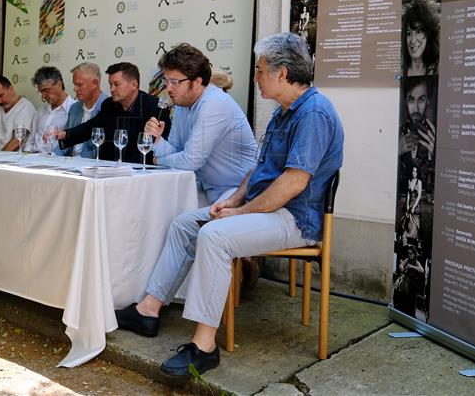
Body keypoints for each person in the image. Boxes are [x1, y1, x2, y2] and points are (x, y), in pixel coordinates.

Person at [114, 33, 343, 380]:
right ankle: (149, 308)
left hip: (296, 219)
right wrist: (234, 199)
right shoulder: (284, 112)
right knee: (184, 223)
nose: (255, 78)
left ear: (282, 74)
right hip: (266, 208)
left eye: (260, 70)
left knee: (215, 236)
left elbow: (293, 183)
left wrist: (240, 212)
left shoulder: (314, 113)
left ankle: (204, 346)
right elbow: (260, 169)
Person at [143, 43, 257, 205]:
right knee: (155, 206)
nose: (168, 88)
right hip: (208, 188)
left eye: (174, 82)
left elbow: (190, 161)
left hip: (240, 191)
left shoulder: (214, 103)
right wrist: (158, 141)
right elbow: (177, 151)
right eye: (166, 81)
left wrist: (158, 160)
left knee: (180, 225)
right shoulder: (182, 104)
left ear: (196, 82)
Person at [56, 62, 171, 163]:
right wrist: (66, 135)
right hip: (108, 171)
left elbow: (167, 144)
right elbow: (91, 127)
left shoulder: (155, 107)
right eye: (110, 84)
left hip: (141, 174)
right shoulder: (109, 104)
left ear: (134, 85)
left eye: (116, 84)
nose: (111, 89)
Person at [59, 63, 108, 158]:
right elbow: (65, 142)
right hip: (69, 164)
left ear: (95, 83)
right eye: (74, 84)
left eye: (79, 85)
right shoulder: (74, 108)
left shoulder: (108, 108)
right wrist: (51, 157)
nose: (75, 89)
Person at [26, 66, 74, 153]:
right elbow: (30, 140)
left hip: (55, 161)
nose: (43, 96)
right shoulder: (40, 110)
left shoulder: (74, 109)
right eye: (41, 92)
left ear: (59, 84)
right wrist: (26, 154)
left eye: (45, 90)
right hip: (31, 158)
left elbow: (72, 145)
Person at [398, 77, 436, 169]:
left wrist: (435, 158)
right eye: (411, 100)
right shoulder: (395, 133)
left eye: (421, 100)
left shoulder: (438, 135)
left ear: (428, 100)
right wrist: (397, 151)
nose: (416, 109)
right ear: (405, 101)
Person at [402, 0, 439, 77]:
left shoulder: (438, 69)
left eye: (419, 31)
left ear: (429, 34)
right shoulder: (400, 70)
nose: (413, 40)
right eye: (408, 33)